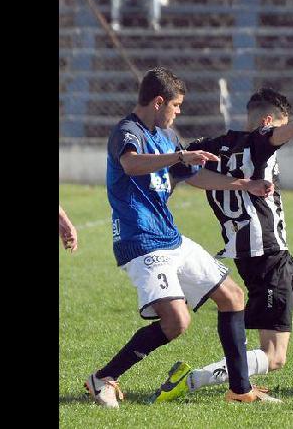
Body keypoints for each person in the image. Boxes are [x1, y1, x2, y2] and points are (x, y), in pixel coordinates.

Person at [148, 88, 293, 402]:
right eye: (278, 127)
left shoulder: (205, 148)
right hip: (264, 253)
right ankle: (191, 379)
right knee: (274, 356)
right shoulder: (258, 142)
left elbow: (175, 172)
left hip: (266, 253)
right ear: (267, 121)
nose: (280, 136)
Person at [84, 67, 281, 408]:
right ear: (159, 102)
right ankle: (103, 377)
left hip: (170, 237)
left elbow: (197, 176)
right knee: (177, 322)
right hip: (141, 240)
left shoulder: (167, 135)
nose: (178, 112)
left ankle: (240, 389)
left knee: (232, 296)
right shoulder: (126, 132)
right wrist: (178, 156)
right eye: (175, 105)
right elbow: (130, 165)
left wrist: (243, 184)